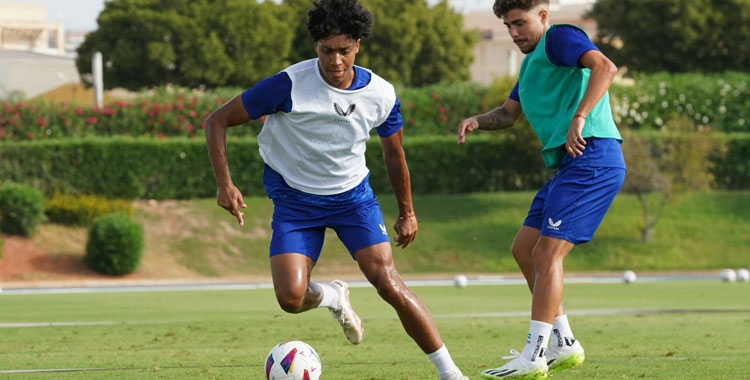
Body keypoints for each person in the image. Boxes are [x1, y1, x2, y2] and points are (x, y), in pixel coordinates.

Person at [205, 1, 468, 379]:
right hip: (295, 200)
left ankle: (450, 373)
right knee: (290, 299)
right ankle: (332, 296)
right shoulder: (287, 85)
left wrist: (407, 212)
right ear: (315, 47)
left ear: (357, 45)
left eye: (344, 50)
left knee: (388, 282)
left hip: (352, 199)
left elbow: (394, 154)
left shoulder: (381, 94)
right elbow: (216, 120)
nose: (336, 61)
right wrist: (224, 184)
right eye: (327, 50)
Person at [457, 0, 626, 379]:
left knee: (547, 253)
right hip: (570, 165)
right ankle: (563, 343)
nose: (514, 33)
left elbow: (605, 67)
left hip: (592, 156)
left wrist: (579, 117)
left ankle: (534, 355)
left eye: (520, 23)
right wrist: (478, 121)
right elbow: (508, 114)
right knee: (525, 249)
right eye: (508, 26)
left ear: (543, 17)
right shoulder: (532, 62)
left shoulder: (559, 38)